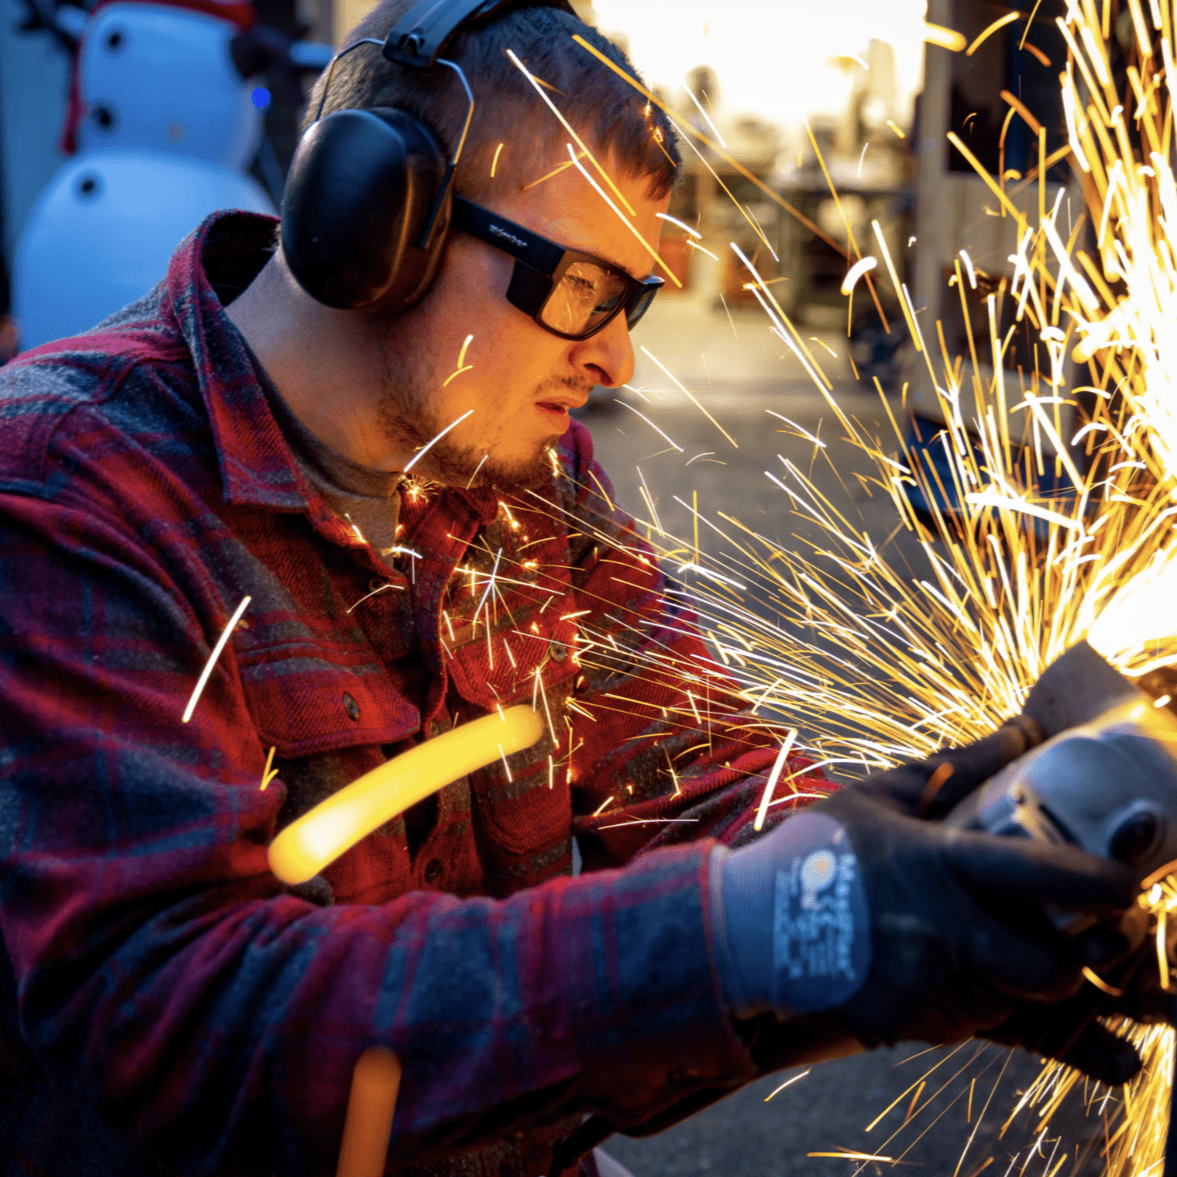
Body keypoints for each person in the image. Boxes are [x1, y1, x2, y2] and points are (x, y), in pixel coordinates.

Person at [0, 2, 1162, 1175]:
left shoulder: (519, 475)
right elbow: (183, 1024)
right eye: (582, 288)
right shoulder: (73, 487)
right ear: (376, 227)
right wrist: (751, 929)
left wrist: (945, 872)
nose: (614, 361)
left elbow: (692, 780)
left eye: (633, 301)